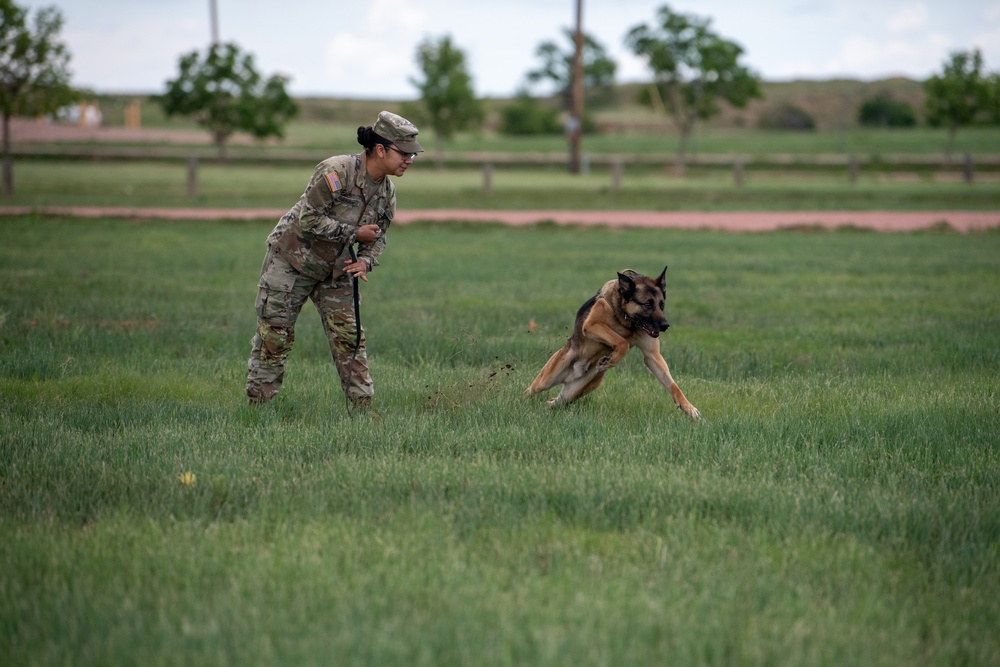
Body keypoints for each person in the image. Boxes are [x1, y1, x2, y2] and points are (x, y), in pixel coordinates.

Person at [245, 111, 423, 409]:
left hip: (336, 270)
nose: (409, 160)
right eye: (404, 153)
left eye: (412, 155)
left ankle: (362, 413)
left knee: (350, 339)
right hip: (291, 262)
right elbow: (309, 219)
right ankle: (258, 410)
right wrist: (355, 233)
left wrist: (366, 260)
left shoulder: (386, 193)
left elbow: (378, 236)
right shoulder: (336, 171)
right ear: (380, 149)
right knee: (275, 336)